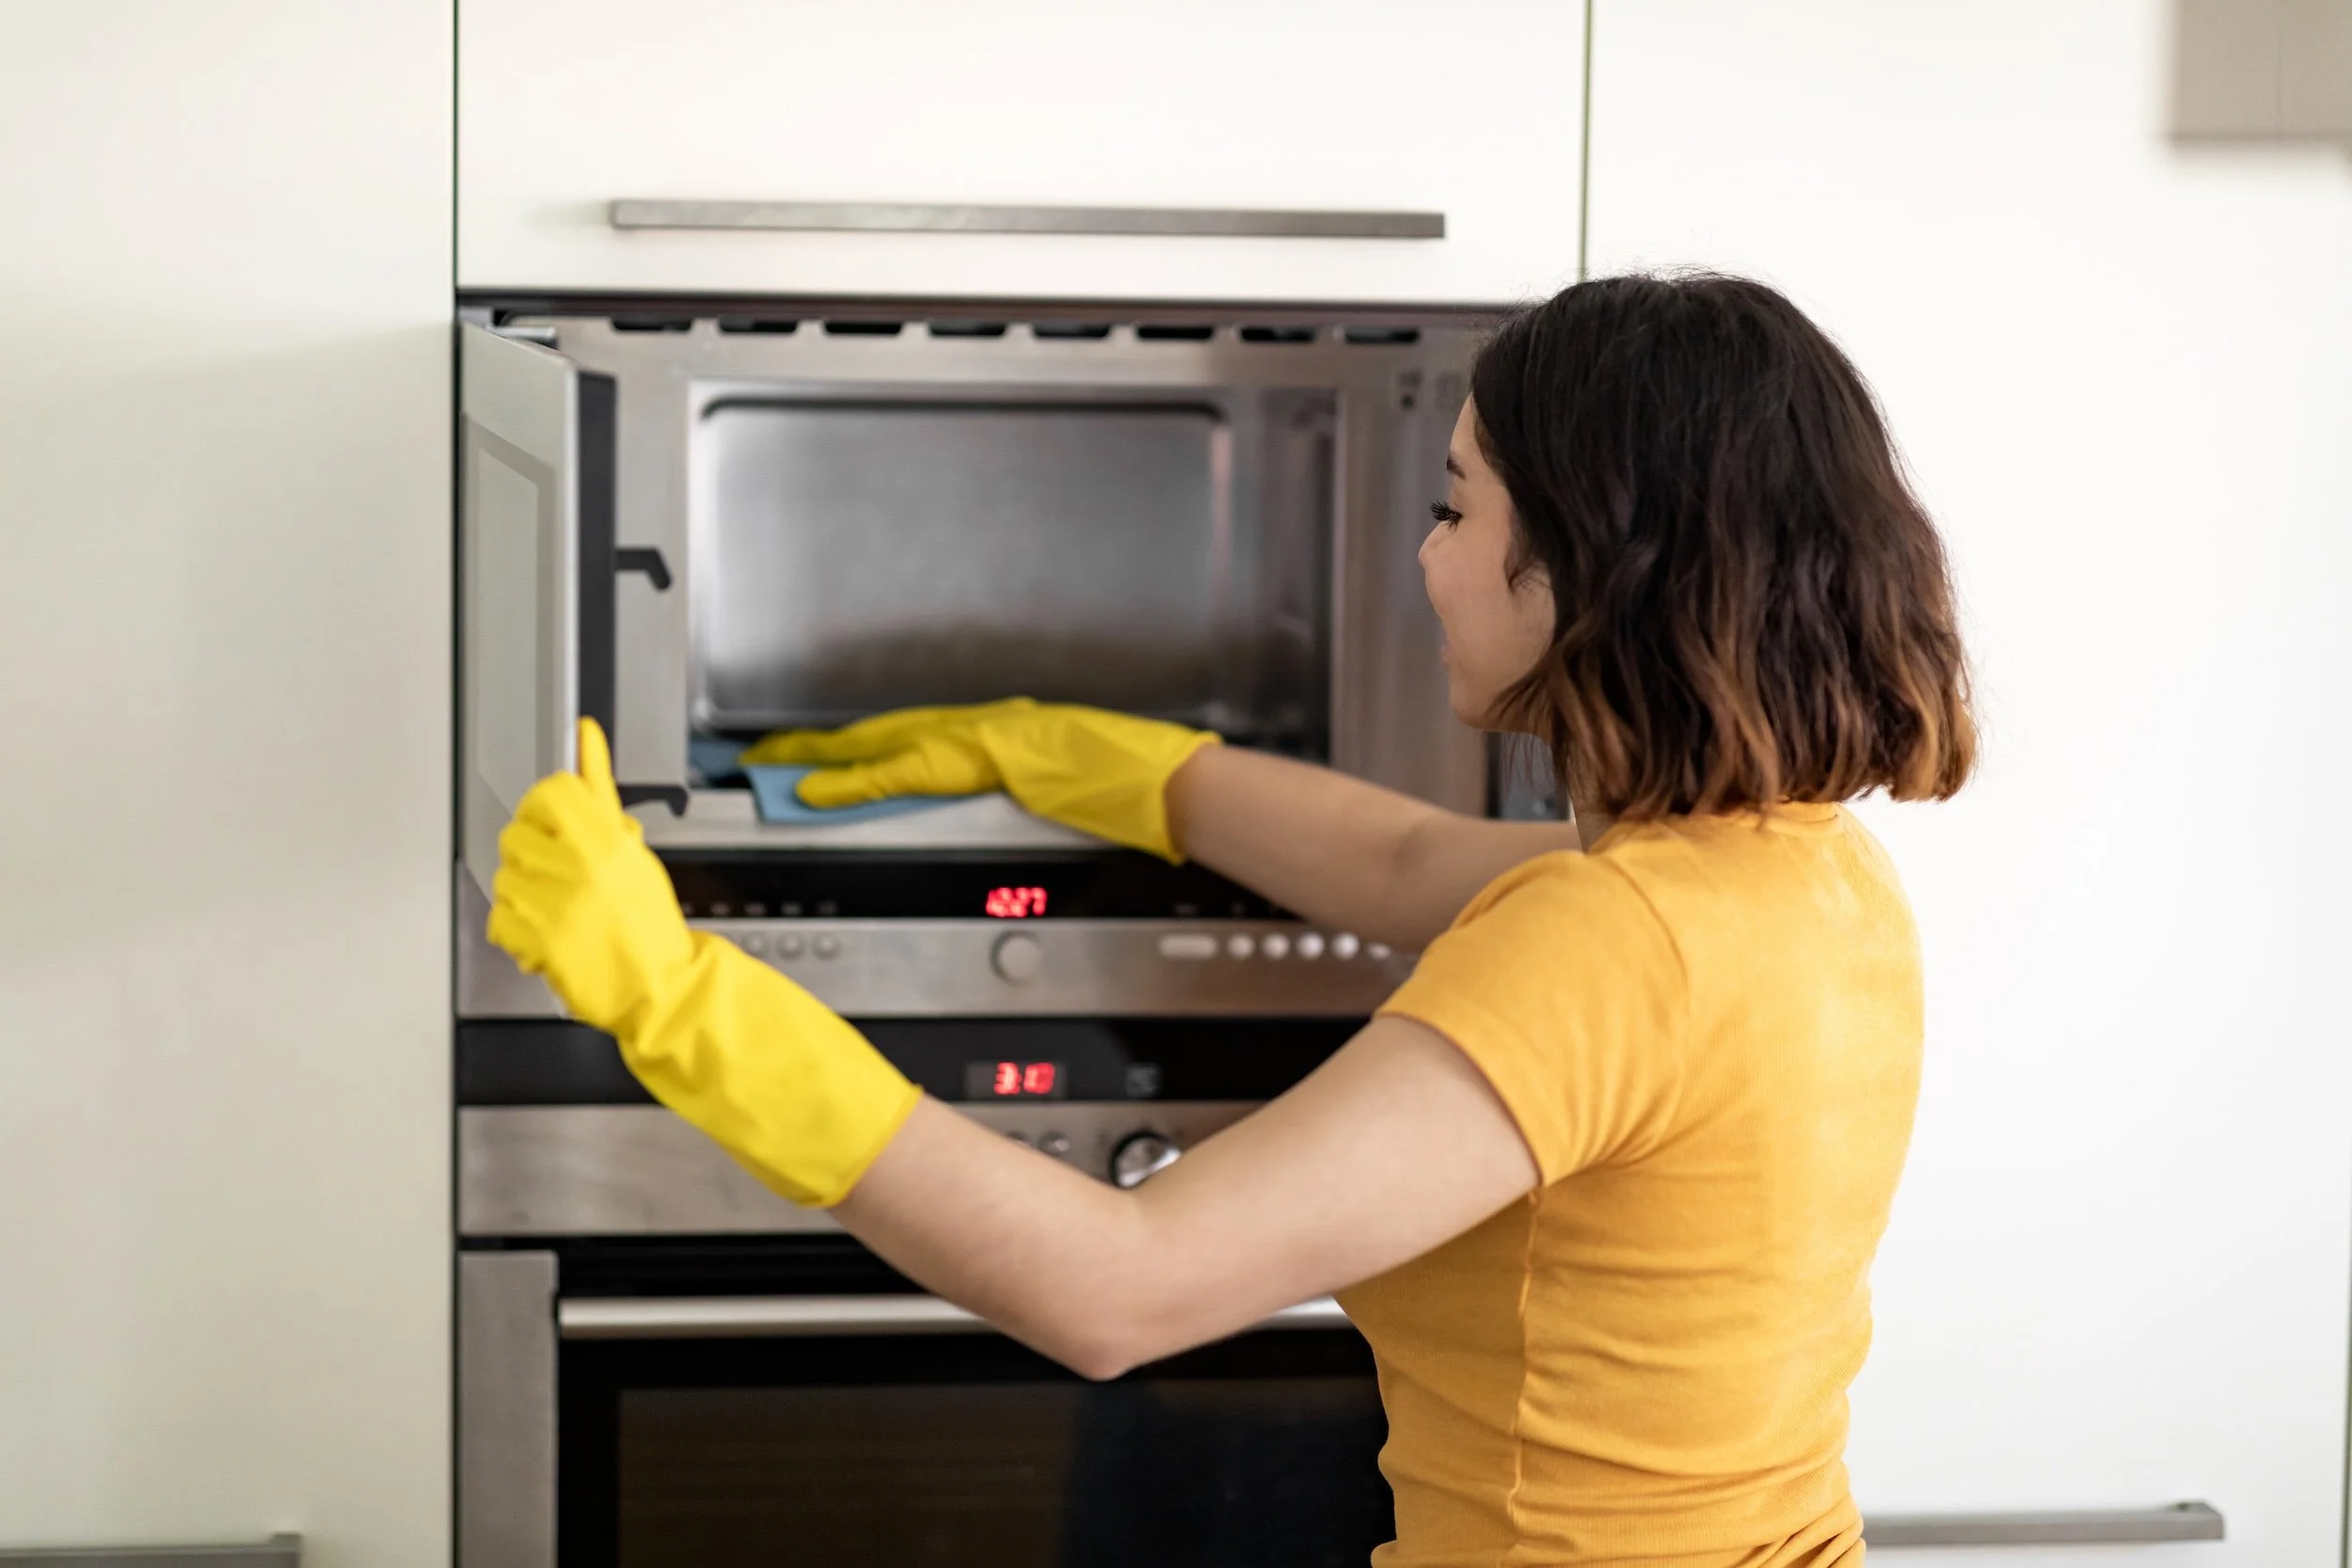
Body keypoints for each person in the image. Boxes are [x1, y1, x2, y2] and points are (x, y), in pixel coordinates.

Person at [486, 272, 1976, 1568]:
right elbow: (1400, 859)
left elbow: (1115, 1286)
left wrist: (676, 1000)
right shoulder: (1805, 875)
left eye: (1458, 505)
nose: (1427, 554)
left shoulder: (1614, 943)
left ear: (1595, 568)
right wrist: (1071, 754)